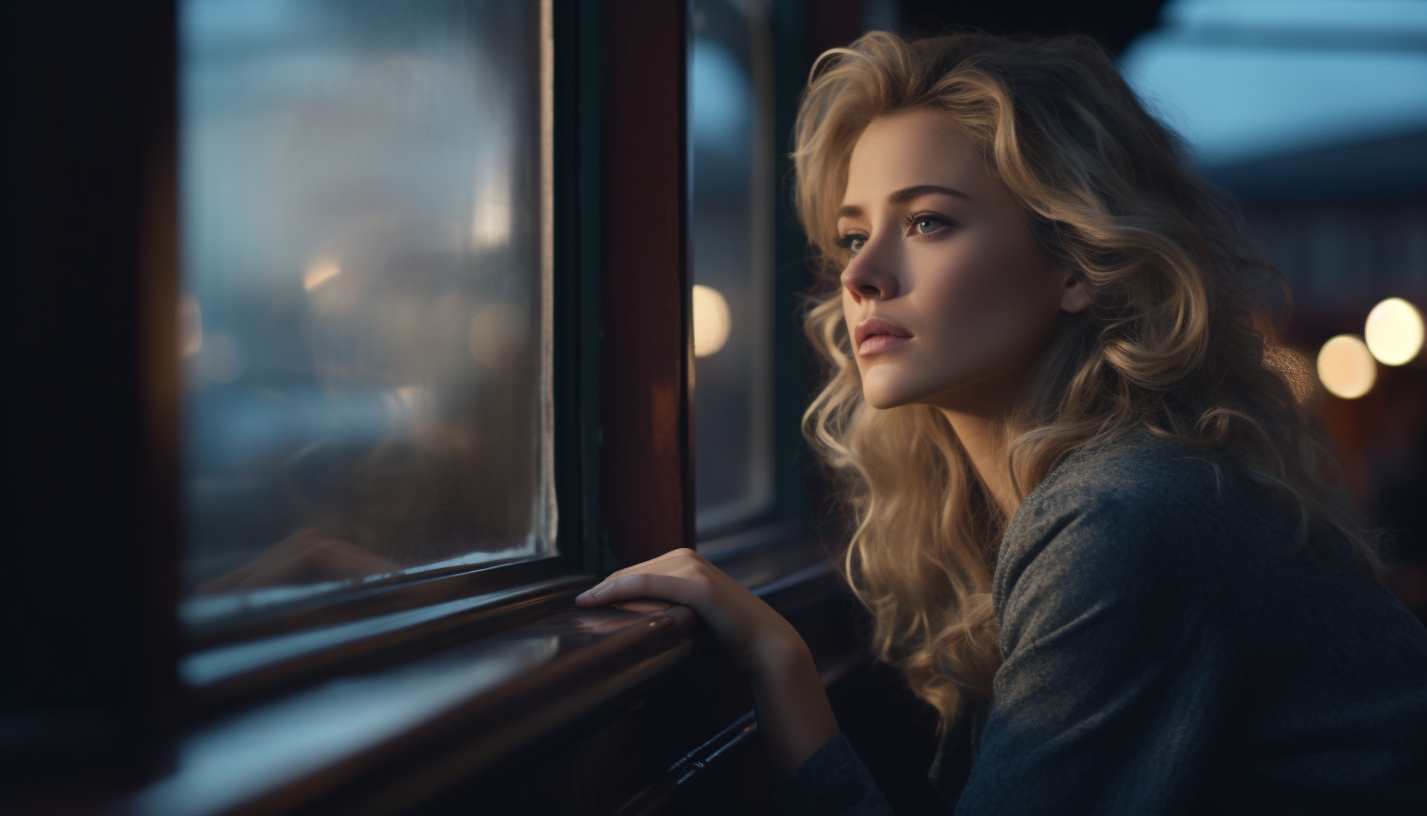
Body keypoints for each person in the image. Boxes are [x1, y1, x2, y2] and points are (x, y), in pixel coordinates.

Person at [576, 31, 1427, 815]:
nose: (862, 274)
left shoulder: (1123, 515)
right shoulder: (1089, 498)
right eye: (849, 236)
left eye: (927, 222)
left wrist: (780, 663)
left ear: (1076, 262)